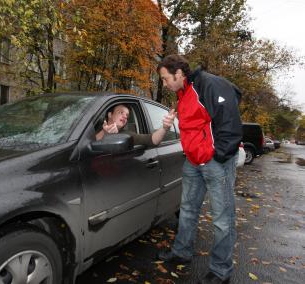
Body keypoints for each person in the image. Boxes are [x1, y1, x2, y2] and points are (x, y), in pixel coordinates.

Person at [156, 55, 242, 284]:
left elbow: (230, 120)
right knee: (187, 210)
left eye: (165, 79)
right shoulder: (183, 92)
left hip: (216, 163)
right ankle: (181, 252)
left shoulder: (209, 84)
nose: (164, 84)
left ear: (179, 73)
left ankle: (221, 271)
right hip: (193, 162)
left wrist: (219, 156)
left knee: (222, 219)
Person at [95, 104, 175, 146]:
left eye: (127, 115)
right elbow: (85, 145)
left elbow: (152, 140)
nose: (125, 116)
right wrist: (105, 133)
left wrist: (164, 128)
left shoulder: (128, 135)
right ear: (110, 114)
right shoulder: (93, 127)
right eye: (121, 112)